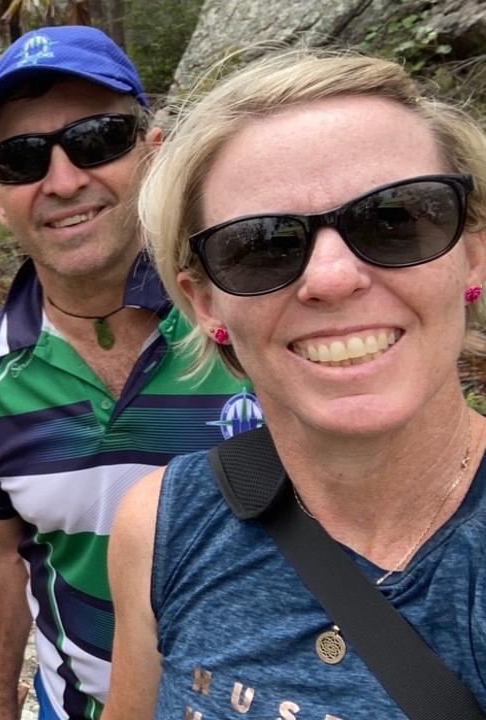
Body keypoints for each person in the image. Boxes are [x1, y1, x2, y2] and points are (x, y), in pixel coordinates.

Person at [104, 49, 486, 718]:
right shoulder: (162, 524)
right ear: (205, 303)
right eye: (262, 246)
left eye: (394, 219)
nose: (334, 278)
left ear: (472, 252)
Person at [0, 26, 257, 720]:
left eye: (97, 139)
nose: (63, 181)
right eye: (23, 159)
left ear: (155, 154)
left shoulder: (249, 312)